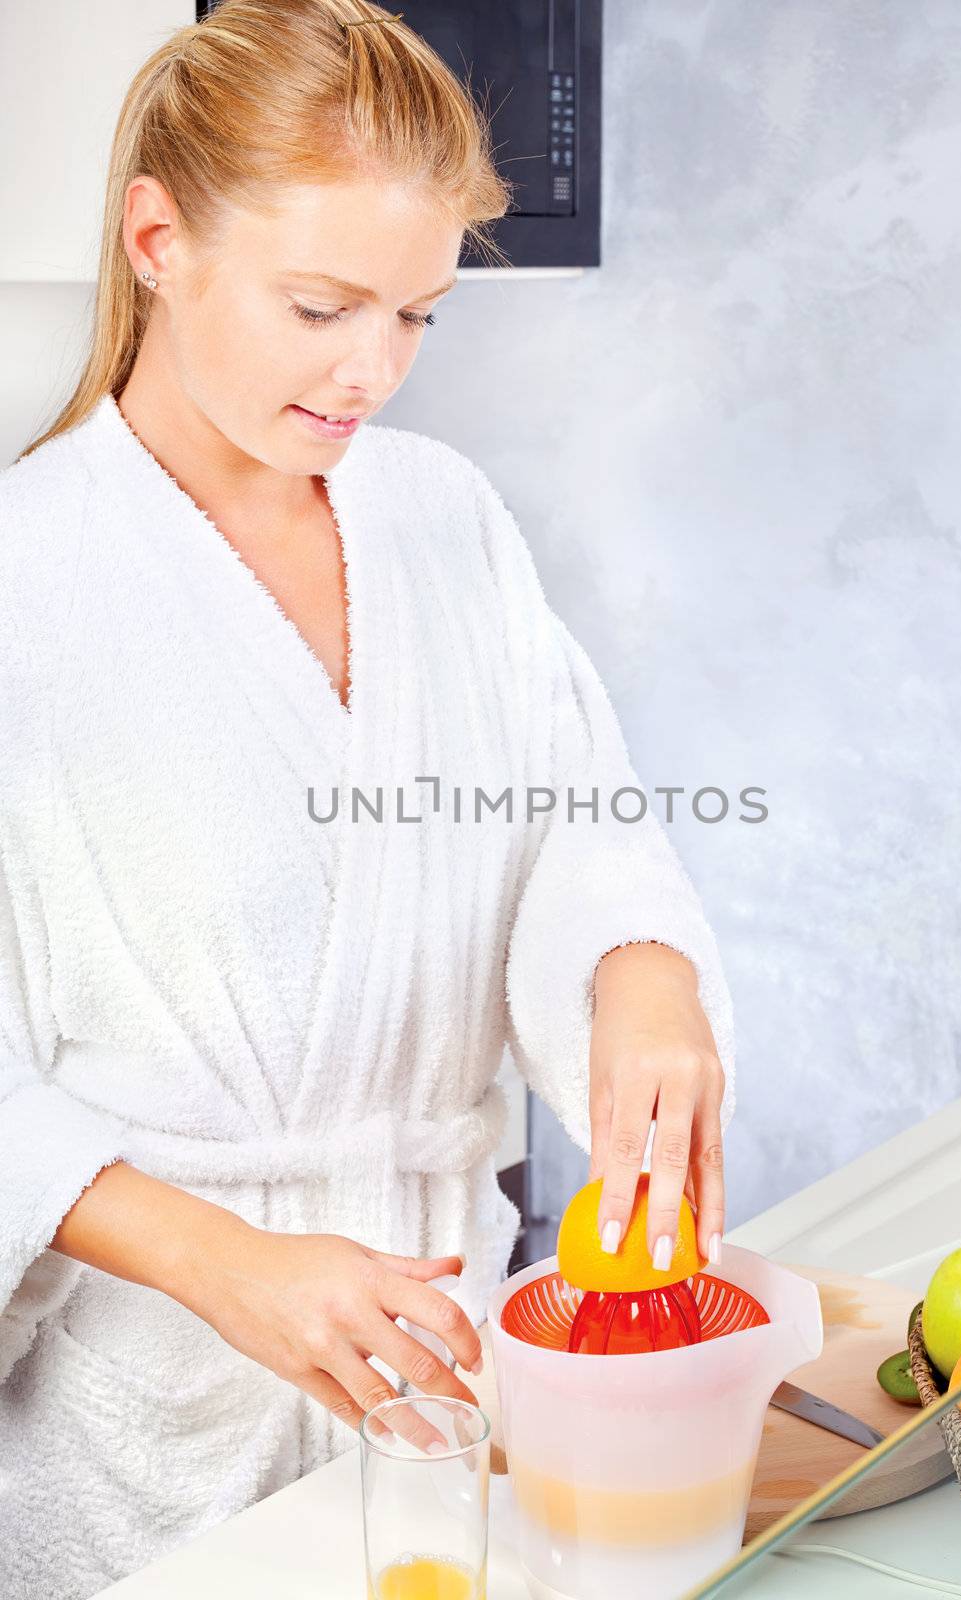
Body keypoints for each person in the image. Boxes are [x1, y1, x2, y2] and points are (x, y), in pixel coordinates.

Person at [0, 2, 735, 1594]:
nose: (373, 373)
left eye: (417, 318)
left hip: (447, 1366)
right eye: (322, 304)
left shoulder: (444, 519)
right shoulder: (23, 586)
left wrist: (643, 972)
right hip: (159, 1429)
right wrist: (228, 1265)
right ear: (157, 239)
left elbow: (576, 821)